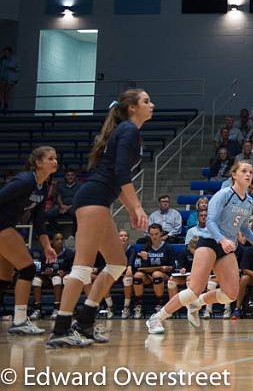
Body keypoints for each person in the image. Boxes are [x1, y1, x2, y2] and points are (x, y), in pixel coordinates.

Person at [48, 90, 151, 348]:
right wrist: (136, 207)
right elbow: (120, 171)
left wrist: (130, 208)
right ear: (131, 108)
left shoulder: (128, 131)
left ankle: (85, 321)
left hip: (99, 200)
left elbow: (118, 177)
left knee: (116, 263)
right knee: (82, 268)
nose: (152, 104)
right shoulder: (128, 130)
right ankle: (60, 329)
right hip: (92, 199)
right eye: (146, 101)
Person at [147, 161, 253, 332]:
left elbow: (243, 227)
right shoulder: (224, 194)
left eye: (250, 172)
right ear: (234, 175)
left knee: (230, 294)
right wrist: (222, 240)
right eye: (244, 171)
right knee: (193, 290)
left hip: (226, 247)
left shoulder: (249, 201)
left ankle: (196, 304)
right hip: (210, 242)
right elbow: (210, 221)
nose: (248, 174)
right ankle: (156, 318)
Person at [0, 146, 58, 335]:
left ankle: (19, 320)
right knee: (28, 268)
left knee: (4, 278)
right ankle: (20, 321)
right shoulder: (24, 180)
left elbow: (39, 220)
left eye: (55, 158)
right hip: (2, 227)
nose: (55, 161)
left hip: (7, 227)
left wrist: (47, 246)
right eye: (50, 158)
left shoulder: (44, 184)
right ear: (38, 163)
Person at [0, 46, 19, 114]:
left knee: (6, 92)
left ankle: (5, 106)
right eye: (4, 52)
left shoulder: (13, 59)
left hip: (10, 79)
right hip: (3, 78)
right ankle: (2, 104)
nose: (5, 53)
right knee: (1, 91)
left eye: (6, 52)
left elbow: (16, 68)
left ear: (10, 53)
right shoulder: (3, 59)